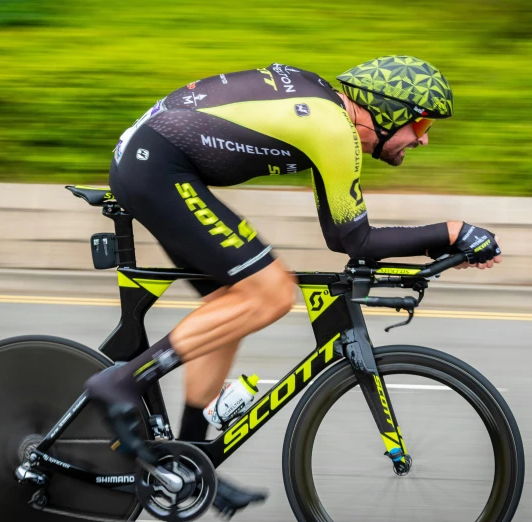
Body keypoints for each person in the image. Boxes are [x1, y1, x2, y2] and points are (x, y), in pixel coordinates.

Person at [85, 55, 502, 517]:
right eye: (420, 123)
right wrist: (451, 232)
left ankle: (187, 457)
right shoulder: (332, 129)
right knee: (272, 293)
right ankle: (122, 381)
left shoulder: (325, 114)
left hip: (152, 160)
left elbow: (341, 237)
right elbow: (355, 240)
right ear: (387, 111)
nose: (423, 138)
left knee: (236, 303)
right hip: (157, 168)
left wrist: (440, 242)